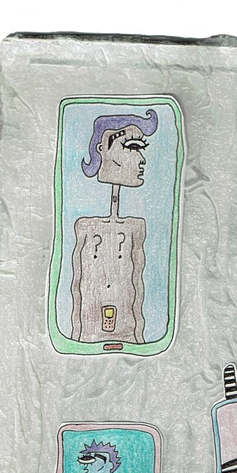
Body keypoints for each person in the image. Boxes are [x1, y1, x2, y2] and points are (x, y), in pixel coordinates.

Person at [69, 109, 159, 344]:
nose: (141, 159)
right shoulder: (86, 228)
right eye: (132, 147)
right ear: (103, 150)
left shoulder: (135, 228)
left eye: (141, 149)